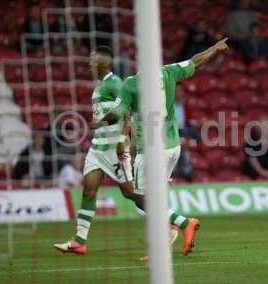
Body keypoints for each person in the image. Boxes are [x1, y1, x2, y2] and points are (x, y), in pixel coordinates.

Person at [100, 38, 230, 256]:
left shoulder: (131, 83)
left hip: (150, 152)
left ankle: (182, 223)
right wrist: (215, 49)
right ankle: (165, 237)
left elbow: (116, 115)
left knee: (140, 201)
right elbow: (196, 61)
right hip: (172, 148)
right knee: (154, 198)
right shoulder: (169, 72)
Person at [54, 46, 135, 255]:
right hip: (97, 148)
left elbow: (128, 113)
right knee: (89, 189)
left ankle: (175, 221)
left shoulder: (116, 83)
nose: (89, 63)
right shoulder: (101, 85)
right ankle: (79, 241)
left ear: (105, 63)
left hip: (114, 149)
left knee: (131, 192)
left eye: (93, 60)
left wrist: (121, 140)